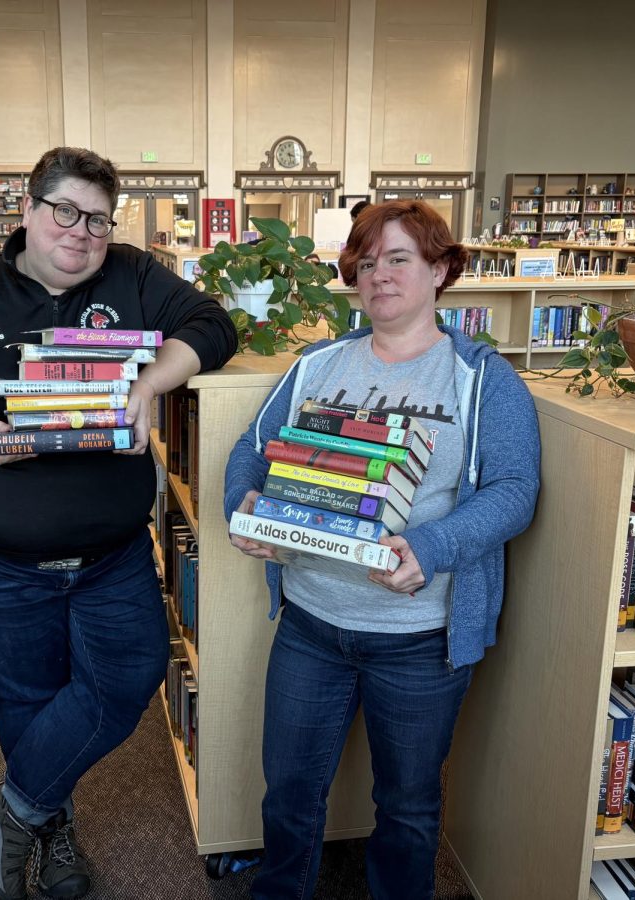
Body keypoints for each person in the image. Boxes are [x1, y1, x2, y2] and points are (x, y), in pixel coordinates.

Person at [0, 146, 237, 900]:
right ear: (28, 211)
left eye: (97, 218)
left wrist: (153, 383)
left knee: (129, 676)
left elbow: (211, 324)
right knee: (28, 696)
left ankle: (18, 806)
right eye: (64, 210)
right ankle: (55, 829)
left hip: (111, 551)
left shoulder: (131, 274)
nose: (81, 231)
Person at [224, 200, 540, 900]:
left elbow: (516, 489)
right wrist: (241, 506)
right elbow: (251, 450)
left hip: (419, 639)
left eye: (399, 258)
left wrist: (432, 545)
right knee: (290, 794)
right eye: (366, 263)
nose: (379, 275)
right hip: (310, 625)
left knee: (408, 808)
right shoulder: (316, 366)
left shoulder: (484, 380)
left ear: (440, 269)